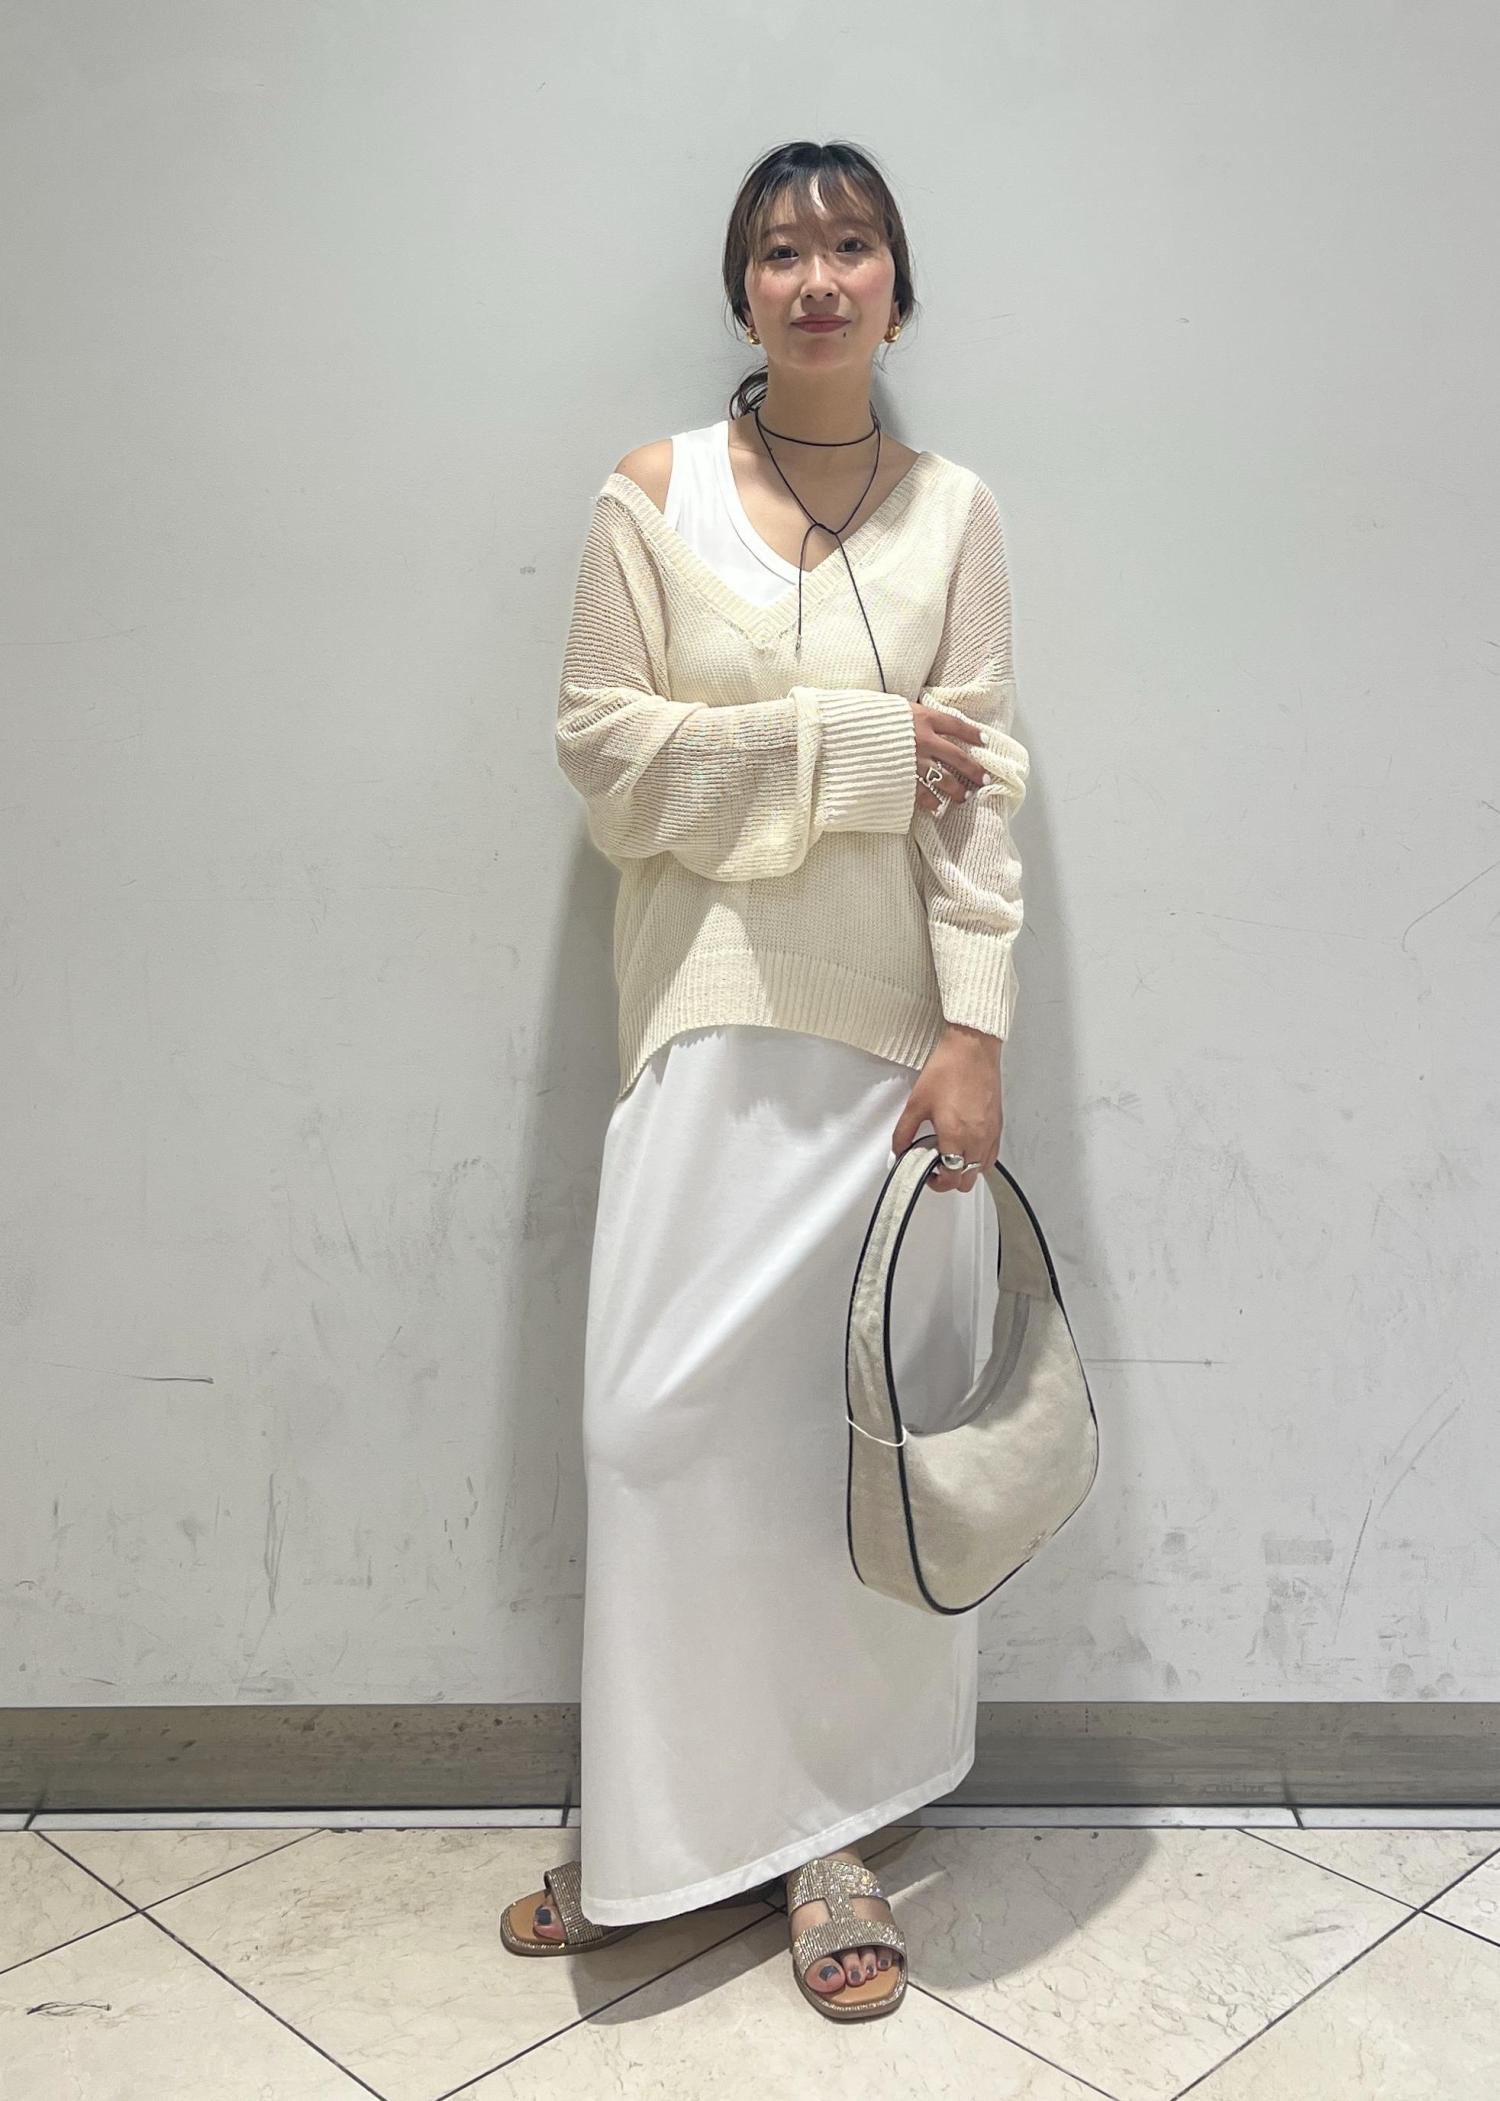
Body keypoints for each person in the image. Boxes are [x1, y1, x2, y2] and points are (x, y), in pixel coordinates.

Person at [501, 137, 1029, 2022]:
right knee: (654, 1432)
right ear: (743, 291)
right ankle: (662, 1826)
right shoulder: (649, 497)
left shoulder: (955, 514)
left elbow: (986, 801)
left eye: (853, 245)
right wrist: (849, 748)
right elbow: (608, 755)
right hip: (708, 1024)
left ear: (898, 284)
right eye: (785, 251)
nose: (819, 278)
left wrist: (976, 1031)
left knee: (847, 1459)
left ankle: (832, 1839)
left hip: (892, 1058)